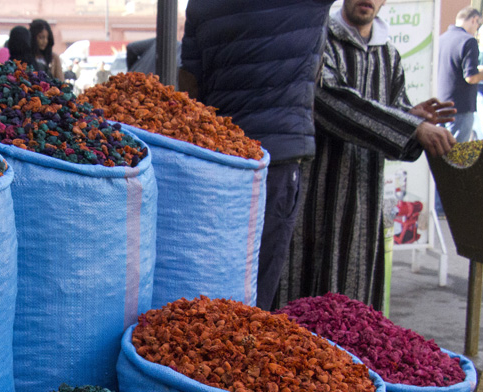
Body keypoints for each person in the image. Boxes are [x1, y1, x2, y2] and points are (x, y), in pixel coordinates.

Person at [281, 0, 456, 311]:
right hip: (313, 196)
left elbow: (392, 117)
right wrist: (410, 126)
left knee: (353, 310)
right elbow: (325, 100)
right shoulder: (320, 41)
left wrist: (410, 116)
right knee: (302, 301)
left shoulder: (388, 55)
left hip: (363, 201)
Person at [179, 0, 333, 310]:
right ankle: (239, 346)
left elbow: (189, 83)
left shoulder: (201, 4)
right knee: (258, 281)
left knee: (213, 274)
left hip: (220, 157)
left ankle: (205, 347)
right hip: (277, 155)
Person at [438, 7, 483, 141]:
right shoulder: (469, 41)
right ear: (473, 20)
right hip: (460, 107)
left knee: (439, 153)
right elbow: (471, 77)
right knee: (457, 154)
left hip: (440, 104)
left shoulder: (442, 39)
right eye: (478, 24)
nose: (477, 28)